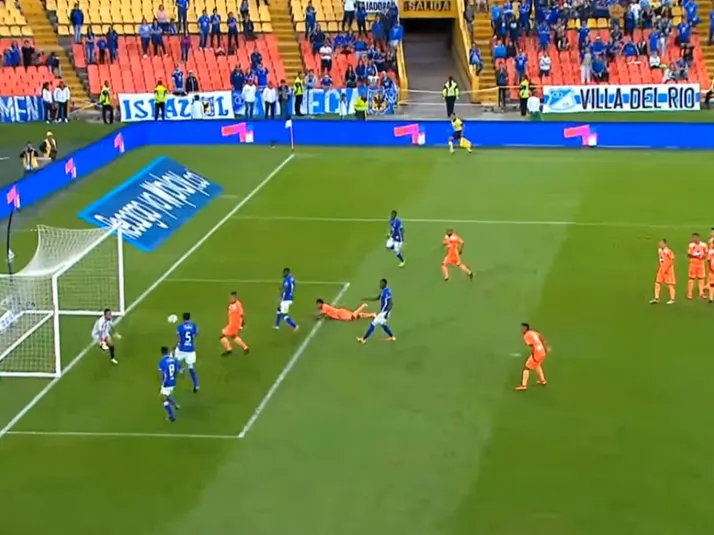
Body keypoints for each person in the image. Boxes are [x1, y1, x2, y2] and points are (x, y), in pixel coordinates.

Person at [357, 278, 395, 343]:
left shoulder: (387, 293)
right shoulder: (383, 291)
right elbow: (377, 298)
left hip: (384, 313)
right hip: (384, 312)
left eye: (381, 284)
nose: (380, 285)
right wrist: (367, 299)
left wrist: (386, 313)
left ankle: (363, 339)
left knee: (373, 324)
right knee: (383, 324)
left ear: (385, 284)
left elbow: (391, 303)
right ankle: (392, 337)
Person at [515, 323, 549, 391]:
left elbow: (532, 346)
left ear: (525, 329)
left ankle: (524, 385)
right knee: (537, 365)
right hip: (542, 352)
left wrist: (533, 356)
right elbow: (540, 337)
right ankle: (543, 381)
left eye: (522, 328)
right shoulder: (533, 332)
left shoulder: (526, 336)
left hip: (537, 353)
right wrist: (546, 346)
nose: (521, 330)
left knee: (526, 368)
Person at [175, 312, 199, 392]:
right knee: (191, 367)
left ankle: (180, 369)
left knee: (174, 359)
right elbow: (196, 334)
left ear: (183, 318)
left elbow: (178, 338)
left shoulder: (180, 327)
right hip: (191, 350)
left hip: (182, 349)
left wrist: (175, 345)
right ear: (190, 318)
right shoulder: (193, 326)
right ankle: (196, 385)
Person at [158, 346, 181, 422]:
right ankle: (176, 405)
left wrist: (161, 384)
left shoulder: (162, 362)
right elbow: (178, 370)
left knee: (163, 399)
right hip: (173, 381)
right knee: (167, 395)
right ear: (168, 352)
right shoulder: (173, 360)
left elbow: (161, 374)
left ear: (162, 353)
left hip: (166, 383)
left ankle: (172, 416)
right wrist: (174, 377)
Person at [651, 239, 676, 304]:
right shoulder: (659, 250)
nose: (660, 244)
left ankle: (672, 299)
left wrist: (667, 268)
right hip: (661, 269)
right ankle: (656, 298)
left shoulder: (668, 251)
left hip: (668, 270)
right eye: (660, 243)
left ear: (665, 244)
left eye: (661, 243)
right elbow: (661, 260)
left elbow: (672, 260)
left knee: (670, 284)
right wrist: (659, 267)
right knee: (657, 283)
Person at [687, 233, 707, 300]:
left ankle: (701, 293)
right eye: (692, 238)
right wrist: (697, 256)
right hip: (693, 264)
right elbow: (689, 254)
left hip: (701, 264)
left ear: (698, 238)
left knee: (701, 278)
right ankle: (689, 294)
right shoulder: (691, 245)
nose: (693, 239)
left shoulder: (703, 245)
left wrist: (704, 256)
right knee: (691, 279)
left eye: (694, 238)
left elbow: (706, 253)